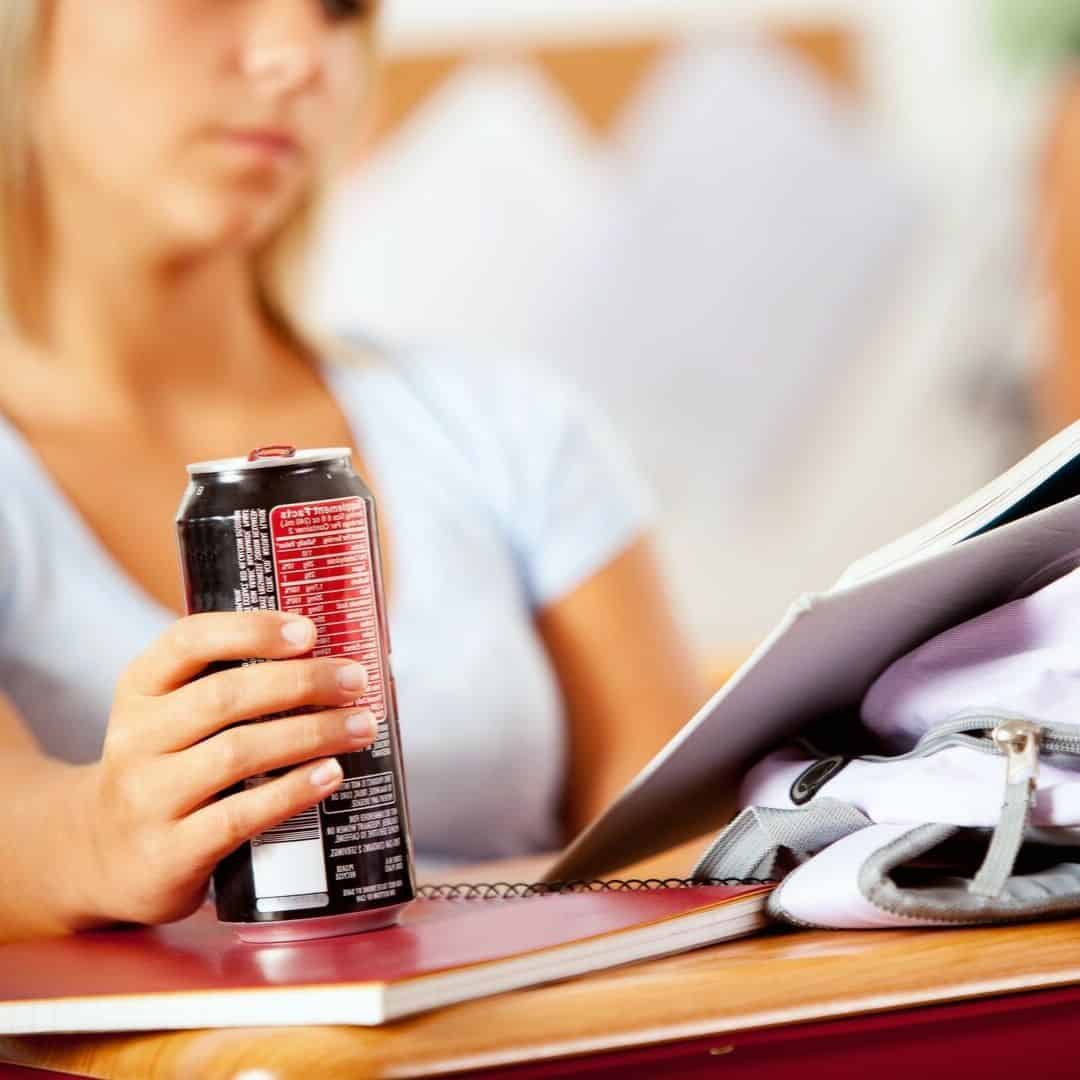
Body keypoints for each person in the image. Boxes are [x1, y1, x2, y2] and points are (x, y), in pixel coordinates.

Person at [0, 0, 705, 943]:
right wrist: (103, 835)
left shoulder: (507, 422)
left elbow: (674, 832)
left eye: (340, 10)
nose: (299, 56)